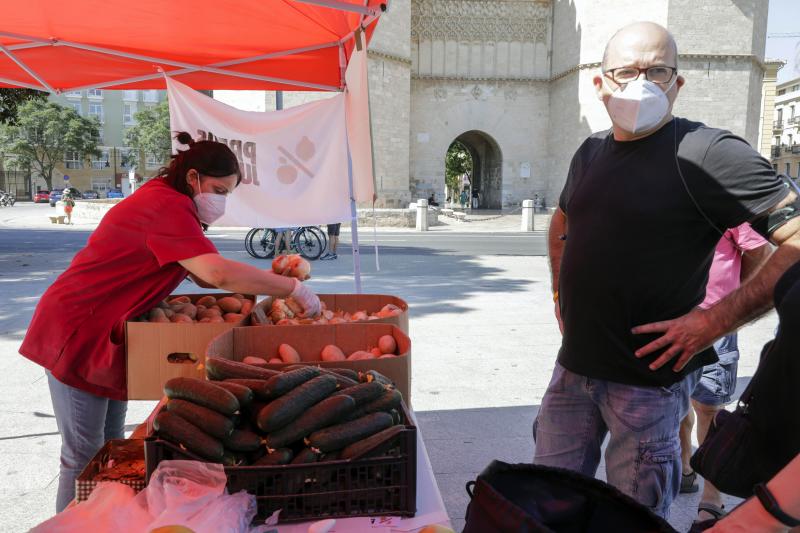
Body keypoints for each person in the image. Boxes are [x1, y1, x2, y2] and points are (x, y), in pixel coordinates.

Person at [537, 21, 800, 519]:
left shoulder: (709, 153)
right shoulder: (590, 151)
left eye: (657, 70)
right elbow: (563, 221)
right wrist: (558, 297)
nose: (641, 83)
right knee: (547, 505)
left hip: (648, 390)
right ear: (600, 84)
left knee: (632, 520)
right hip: (573, 374)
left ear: (677, 83)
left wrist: (714, 322)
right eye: (626, 71)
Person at [19, 132, 321, 512]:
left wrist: (272, 279)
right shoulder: (166, 206)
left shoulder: (171, 203)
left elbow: (203, 274)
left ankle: (103, 520)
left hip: (109, 328)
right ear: (193, 177)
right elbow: (216, 274)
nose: (221, 201)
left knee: (112, 445)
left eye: (228, 193)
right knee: (83, 454)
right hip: (78, 328)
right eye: (218, 190)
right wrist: (289, 286)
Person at [678, 223, 771, 524]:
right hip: (671, 317)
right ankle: (684, 465)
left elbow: (759, 249)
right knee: (675, 403)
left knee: (708, 407)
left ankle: (712, 494)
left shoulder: (722, 188)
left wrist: (732, 302)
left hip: (716, 323)